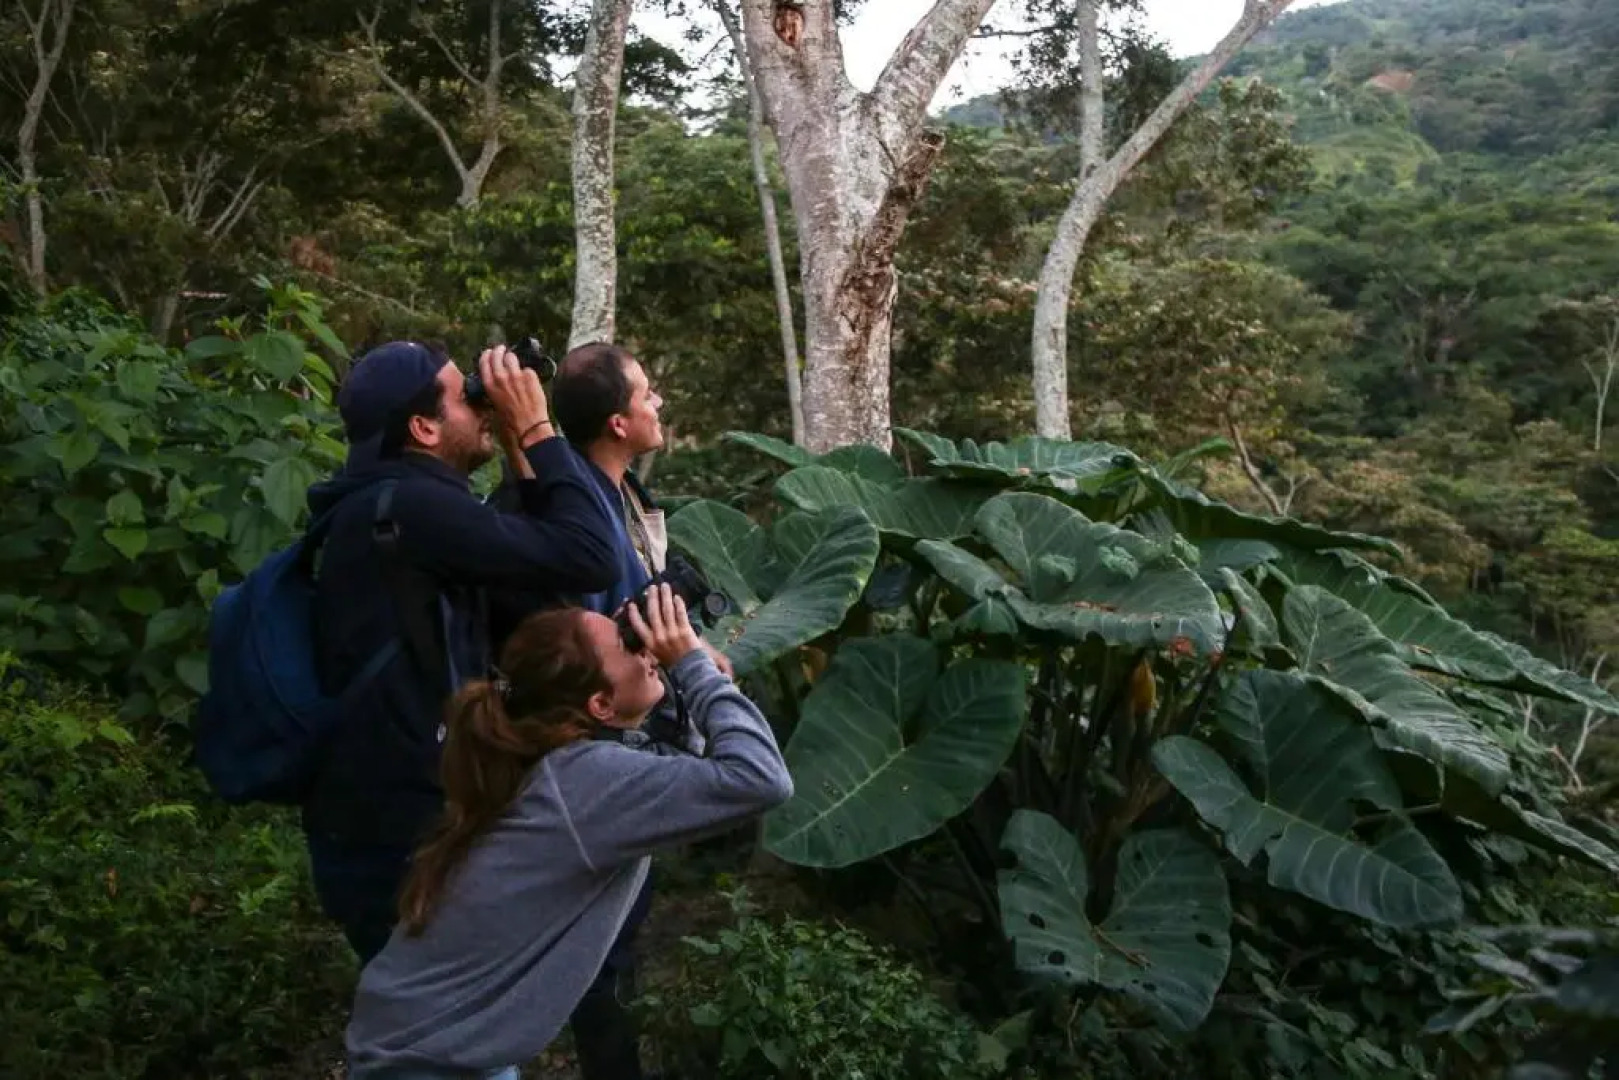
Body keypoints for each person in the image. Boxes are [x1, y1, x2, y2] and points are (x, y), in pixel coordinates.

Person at [344, 585, 793, 1079]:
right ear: (600, 704)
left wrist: (692, 670)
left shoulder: (564, 766)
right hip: (423, 1058)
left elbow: (686, 764)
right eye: (628, 644)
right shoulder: (585, 782)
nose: (646, 649)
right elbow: (759, 778)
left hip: (438, 1040)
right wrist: (688, 663)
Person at [300, 340, 619, 966]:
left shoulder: (389, 506)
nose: (482, 404)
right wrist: (537, 429)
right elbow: (591, 556)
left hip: (383, 817)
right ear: (423, 428)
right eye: (466, 397)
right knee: (436, 1009)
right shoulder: (413, 509)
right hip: (399, 829)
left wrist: (518, 453)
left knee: (433, 1006)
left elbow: (548, 593)